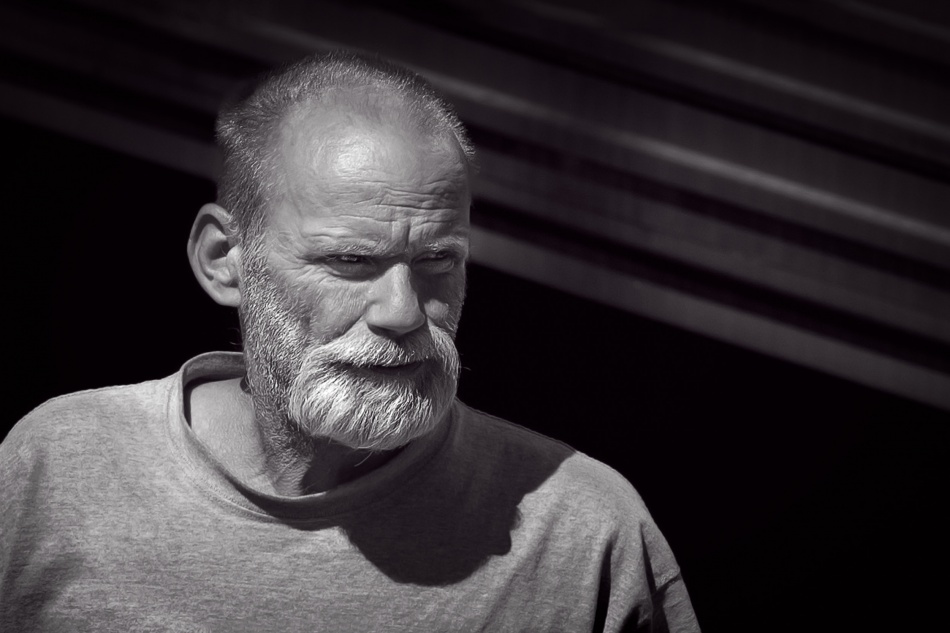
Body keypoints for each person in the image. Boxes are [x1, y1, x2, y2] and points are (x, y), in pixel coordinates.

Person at [0, 51, 699, 632]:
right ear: (223, 261)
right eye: (350, 261)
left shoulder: (583, 532)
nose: (403, 311)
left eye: (437, 260)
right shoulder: (56, 468)